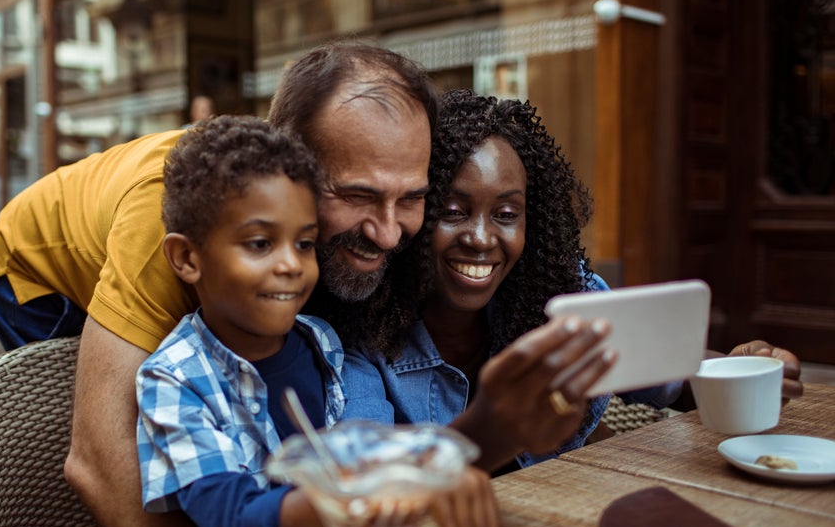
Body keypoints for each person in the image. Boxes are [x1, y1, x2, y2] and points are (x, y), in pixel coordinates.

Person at [0, 40, 454, 527]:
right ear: (295, 158)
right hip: (38, 277)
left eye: (410, 199)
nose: (387, 231)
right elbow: (95, 465)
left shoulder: (289, 223)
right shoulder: (167, 230)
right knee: (89, 448)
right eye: (356, 194)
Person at [339, 89, 804, 475]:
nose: (481, 238)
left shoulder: (559, 294)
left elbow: (668, 377)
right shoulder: (362, 326)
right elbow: (365, 462)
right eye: (453, 211)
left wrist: (744, 368)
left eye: (506, 215)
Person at [136, 114, 497, 527]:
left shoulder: (321, 340)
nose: (291, 264)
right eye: (261, 243)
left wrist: (427, 467)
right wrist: (386, 491)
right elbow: (236, 522)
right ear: (187, 258)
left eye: (304, 243)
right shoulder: (175, 380)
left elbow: (362, 446)